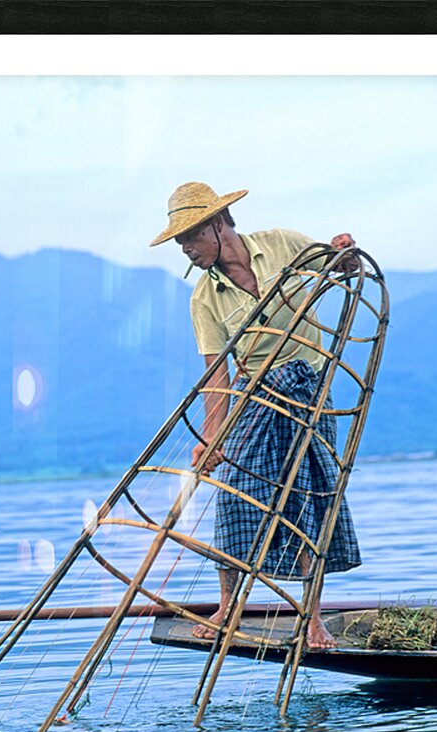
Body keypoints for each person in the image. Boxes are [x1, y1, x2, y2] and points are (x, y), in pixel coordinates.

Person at [150, 182, 361, 649]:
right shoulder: (205, 297)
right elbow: (216, 376)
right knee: (236, 497)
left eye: (190, 238)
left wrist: (344, 251)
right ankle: (229, 604)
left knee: (309, 499)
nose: (186, 250)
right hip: (256, 394)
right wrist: (212, 437)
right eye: (180, 243)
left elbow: (338, 266)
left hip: (309, 388)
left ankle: (313, 619)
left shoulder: (280, 244)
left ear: (218, 226)